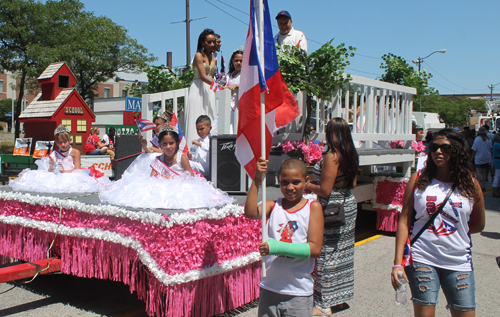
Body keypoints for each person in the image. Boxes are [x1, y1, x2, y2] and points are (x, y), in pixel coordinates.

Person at [392, 128, 485, 317]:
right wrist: (397, 264)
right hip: (422, 258)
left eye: (445, 148)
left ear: (457, 150)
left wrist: (452, 234)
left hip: (459, 262)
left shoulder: (470, 183)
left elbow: (477, 224)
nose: (438, 152)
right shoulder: (418, 180)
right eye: (434, 147)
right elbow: (404, 221)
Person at [244, 158, 323, 317]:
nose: (290, 187)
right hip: (269, 287)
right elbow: (250, 212)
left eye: (296, 182)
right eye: (284, 182)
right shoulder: (273, 206)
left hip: (298, 291)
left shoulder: (312, 207)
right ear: (278, 181)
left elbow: (314, 249)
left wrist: (277, 248)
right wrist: (257, 178)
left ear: (306, 181)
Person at [99, 124, 234, 210]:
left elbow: (192, 178)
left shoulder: (182, 158)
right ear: (161, 145)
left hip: (181, 187)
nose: (168, 147)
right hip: (162, 186)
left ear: (176, 143)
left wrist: (174, 180)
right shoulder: (159, 159)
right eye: (164, 144)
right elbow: (152, 178)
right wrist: (162, 178)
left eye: (171, 143)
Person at [304, 117, 359, 316]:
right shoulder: (350, 154)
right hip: (348, 202)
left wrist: (307, 185)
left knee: (326, 252)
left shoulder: (332, 157)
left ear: (330, 133)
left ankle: (323, 303)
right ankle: (337, 298)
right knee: (342, 252)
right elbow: (352, 184)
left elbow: (326, 190)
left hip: (332, 207)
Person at [10, 124, 110, 193]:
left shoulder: (75, 152)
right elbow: (51, 171)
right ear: (56, 143)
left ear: (70, 140)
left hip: (71, 176)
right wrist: (52, 166)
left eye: (65, 141)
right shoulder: (55, 153)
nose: (63, 144)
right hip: (57, 176)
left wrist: (64, 171)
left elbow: (78, 170)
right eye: (60, 142)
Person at [185, 29, 217, 145]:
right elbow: (203, 76)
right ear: (202, 42)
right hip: (198, 87)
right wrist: (219, 86)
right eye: (209, 42)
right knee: (196, 114)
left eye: (213, 42)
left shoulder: (214, 58)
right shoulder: (198, 56)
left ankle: (207, 148)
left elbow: (212, 76)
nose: (212, 44)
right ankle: (192, 148)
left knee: (211, 115)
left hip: (210, 89)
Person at [224, 48, 243, 133]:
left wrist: (236, 85)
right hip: (228, 103)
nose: (238, 63)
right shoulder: (228, 75)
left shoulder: (245, 74)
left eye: (241, 61)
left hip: (240, 103)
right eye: (236, 60)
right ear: (232, 61)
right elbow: (222, 85)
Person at [471, 126, 492, 191]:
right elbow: (491, 148)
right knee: (484, 172)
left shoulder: (477, 139)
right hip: (487, 157)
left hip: (479, 157)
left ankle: (478, 185)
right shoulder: (488, 139)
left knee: (478, 172)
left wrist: (472, 157)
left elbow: (474, 149)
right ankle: (483, 185)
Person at [492, 133, 500, 197]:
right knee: (497, 176)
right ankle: (495, 190)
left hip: (498, 160)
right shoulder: (497, 144)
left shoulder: (496, 143)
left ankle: (497, 190)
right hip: (498, 160)